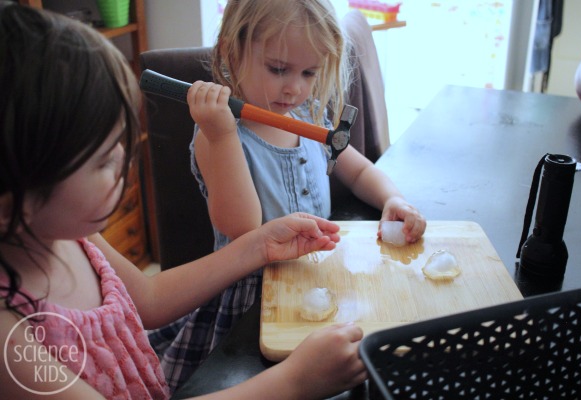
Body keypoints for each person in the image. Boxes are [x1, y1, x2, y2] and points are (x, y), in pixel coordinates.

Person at [0, 3, 366, 399]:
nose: (125, 160)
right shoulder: (10, 340)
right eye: (104, 159)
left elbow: (150, 301)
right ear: (12, 203)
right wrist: (293, 381)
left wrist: (261, 244)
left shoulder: (70, 238)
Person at [148, 0, 426, 390]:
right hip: (252, 305)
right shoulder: (219, 135)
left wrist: (393, 200)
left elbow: (359, 169)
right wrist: (222, 133)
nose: (294, 87)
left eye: (309, 72)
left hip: (318, 279)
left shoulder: (308, 115)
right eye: (278, 69)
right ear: (231, 49)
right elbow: (242, 227)